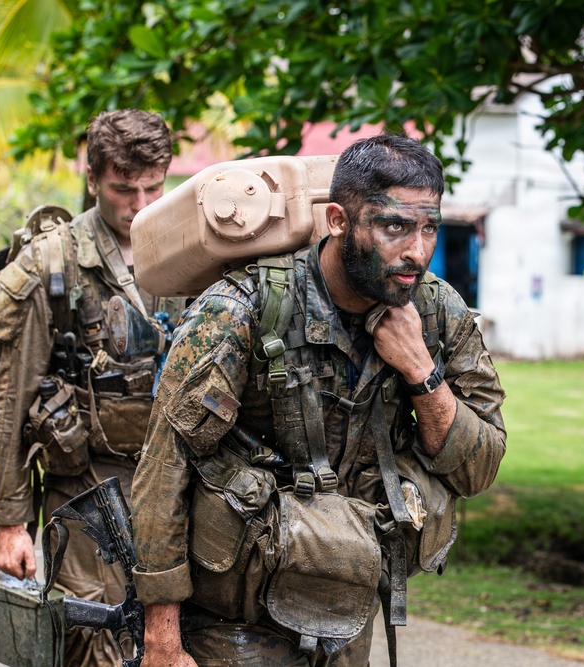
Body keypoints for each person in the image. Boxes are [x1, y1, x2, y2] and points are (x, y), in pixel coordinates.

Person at [131, 134, 507, 666]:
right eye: (394, 226)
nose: (417, 250)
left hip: (345, 609)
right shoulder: (242, 309)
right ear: (337, 220)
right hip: (233, 619)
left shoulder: (438, 312)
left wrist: (421, 371)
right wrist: (162, 641)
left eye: (428, 228)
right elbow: (163, 470)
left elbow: (480, 468)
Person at [0, 109, 185, 667]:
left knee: (176, 642)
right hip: (86, 486)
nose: (141, 204)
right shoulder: (52, 263)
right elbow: (11, 399)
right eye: (124, 189)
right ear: (93, 179)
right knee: (91, 638)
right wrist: (9, 522)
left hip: (176, 484)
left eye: (154, 186)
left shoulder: (190, 248)